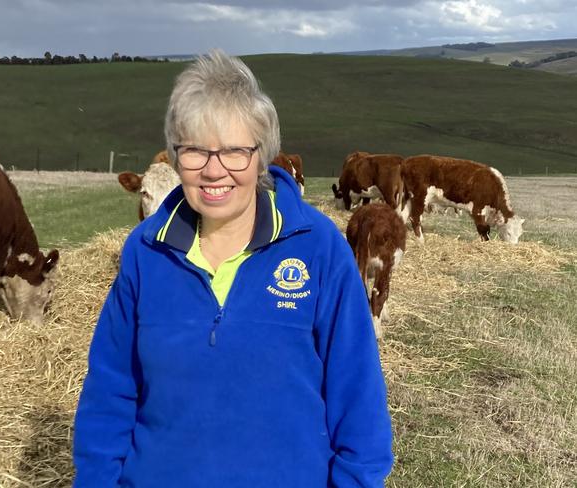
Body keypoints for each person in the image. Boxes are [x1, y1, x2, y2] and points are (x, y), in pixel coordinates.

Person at [73, 49, 393, 487]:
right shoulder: (146, 252)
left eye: (234, 152)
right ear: (174, 156)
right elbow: (110, 391)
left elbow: (359, 400)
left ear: (262, 157)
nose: (213, 170)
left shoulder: (319, 249)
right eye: (194, 151)